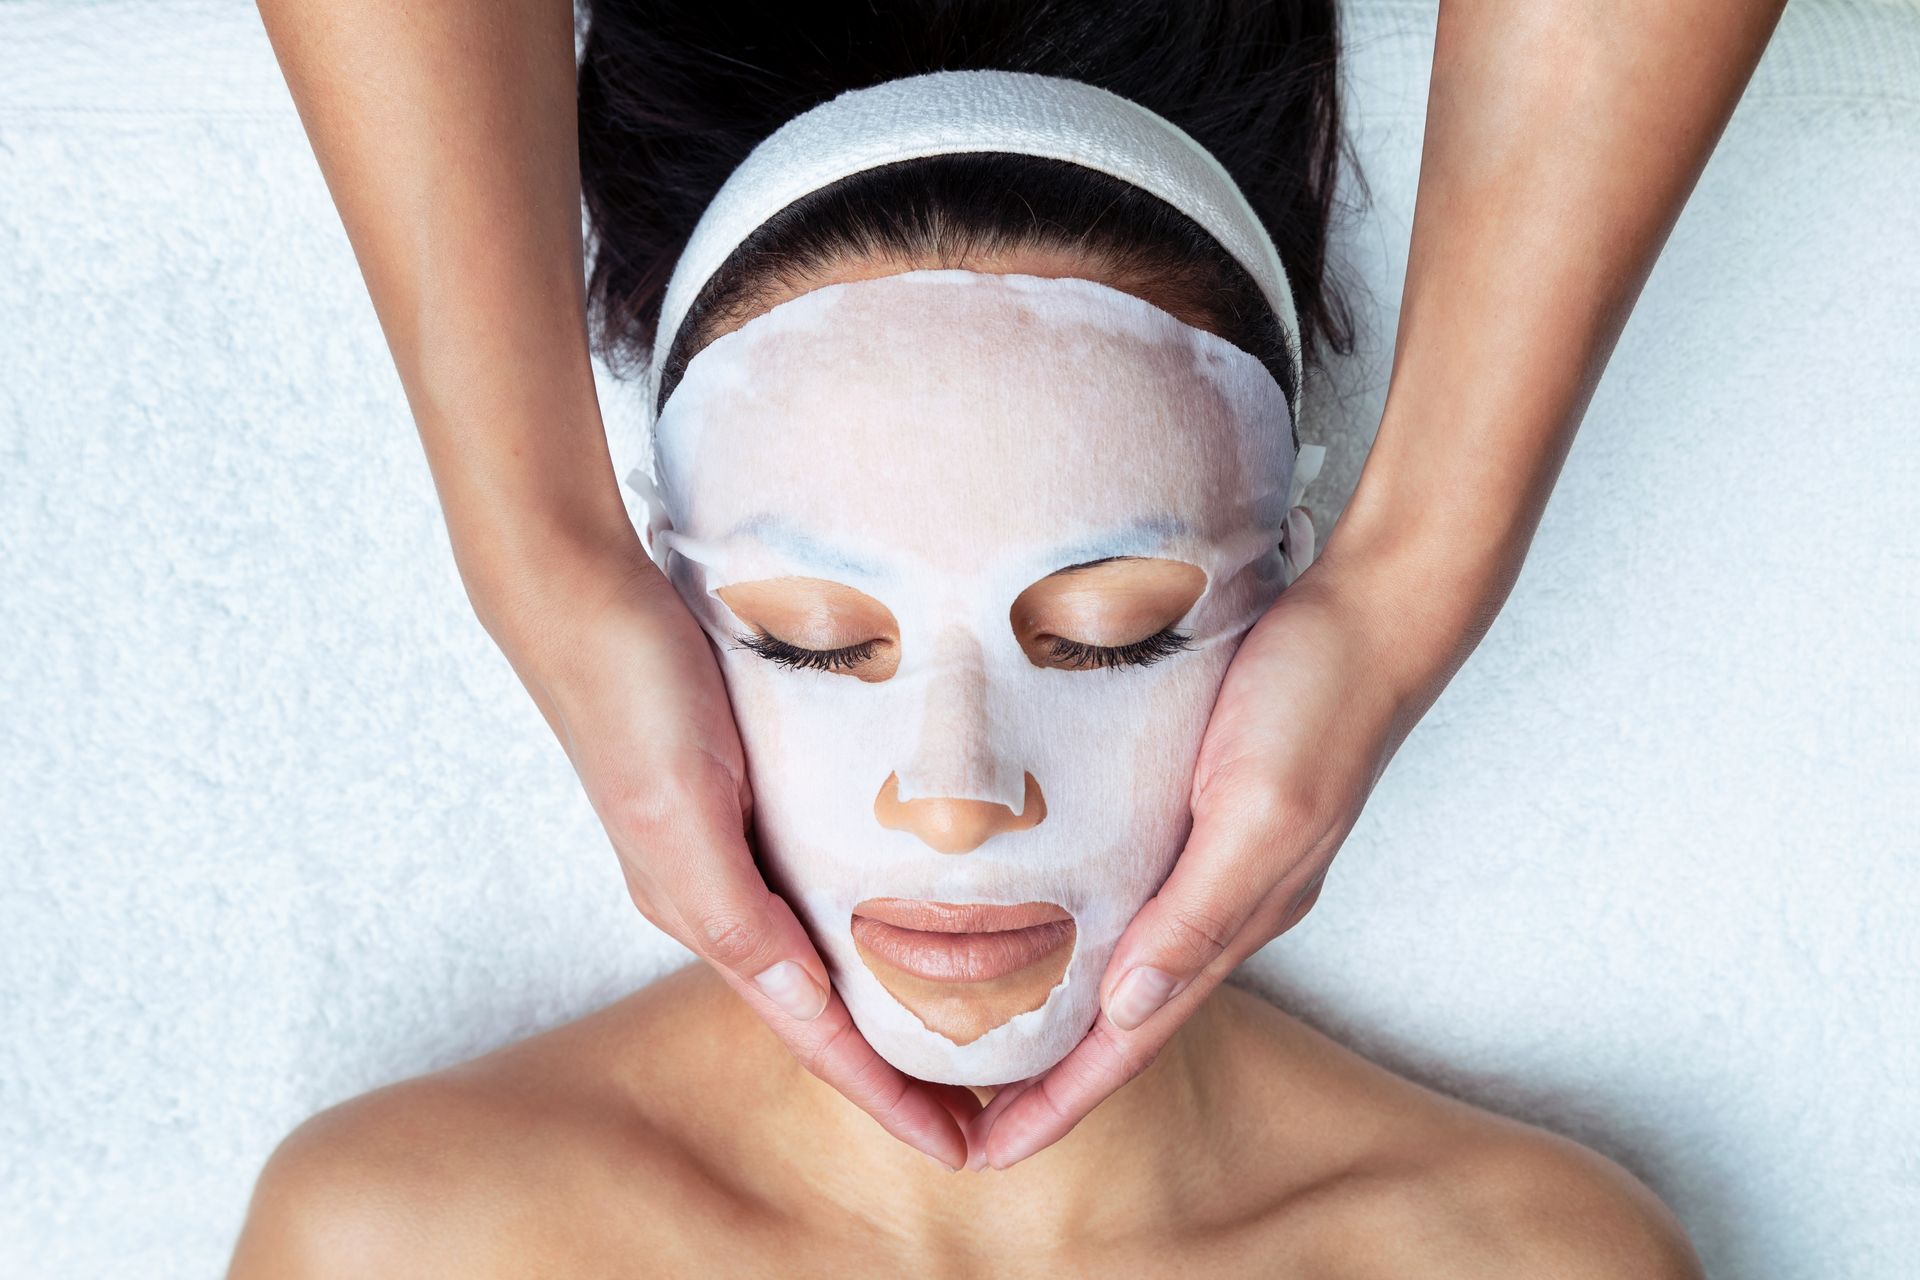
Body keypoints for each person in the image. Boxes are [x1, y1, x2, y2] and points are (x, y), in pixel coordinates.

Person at [255, 0, 1784, 1174]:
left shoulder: (1516, 1258)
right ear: (670, 592)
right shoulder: (399, 1230)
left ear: (1284, 569)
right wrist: (532, 552)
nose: (959, 794)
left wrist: (1414, 584)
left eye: (1109, 632)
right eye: (816, 638)